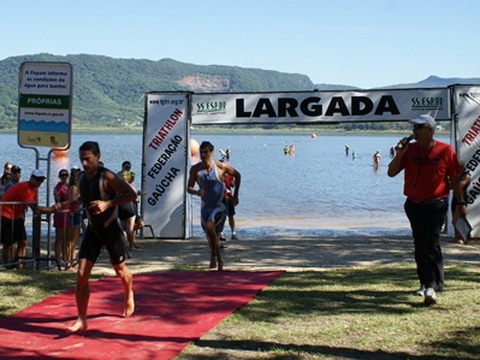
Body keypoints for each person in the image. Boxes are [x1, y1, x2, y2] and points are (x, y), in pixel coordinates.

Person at [388, 114, 467, 306]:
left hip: (436, 203)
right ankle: (427, 282)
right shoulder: (409, 149)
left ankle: (430, 286)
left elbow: (455, 179)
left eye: (418, 127)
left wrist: (460, 202)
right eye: (413, 127)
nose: (414, 131)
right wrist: (400, 153)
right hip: (413, 203)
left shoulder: (445, 150)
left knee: (431, 242)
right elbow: (391, 173)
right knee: (420, 244)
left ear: (430, 130)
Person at [67, 141, 137, 332]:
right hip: (93, 230)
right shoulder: (81, 177)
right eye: (81, 159)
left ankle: (128, 292)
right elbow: (87, 196)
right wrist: (76, 202)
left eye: (88, 159)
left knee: (120, 270)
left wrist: (108, 204)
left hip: (110, 230)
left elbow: (131, 194)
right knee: (81, 274)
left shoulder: (107, 176)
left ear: (97, 157)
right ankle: (82, 318)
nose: (84, 163)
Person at [187, 141, 241, 270]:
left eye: (206, 152)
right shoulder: (195, 169)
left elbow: (237, 175)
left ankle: (216, 258)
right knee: (210, 236)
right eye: (201, 153)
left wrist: (235, 196)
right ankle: (216, 257)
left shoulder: (221, 167)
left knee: (211, 227)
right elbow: (189, 187)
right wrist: (196, 191)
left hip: (220, 205)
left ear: (212, 153)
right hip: (205, 207)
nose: (203, 155)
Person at [1, 169, 60, 269]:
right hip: (6, 215)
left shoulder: (34, 189)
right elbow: (35, 207)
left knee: (22, 241)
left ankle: (19, 264)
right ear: (32, 178)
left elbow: (36, 206)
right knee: (8, 243)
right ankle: (8, 265)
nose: (39, 182)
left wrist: (48, 210)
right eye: (37, 179)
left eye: (41, 180)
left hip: (16, 216)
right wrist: (51, 209)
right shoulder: (25, 187)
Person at [450, 165, 472, 244]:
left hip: (462, 198)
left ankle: (464, 235)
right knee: (455, 217)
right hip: (455, 197)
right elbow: (451, 186)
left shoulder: (466, 176)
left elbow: (459, 185)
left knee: (456, 219)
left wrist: (453, 183)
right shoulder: (457, 176)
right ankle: (457, 236)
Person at [53, 169, 70, 267]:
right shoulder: (57, 188)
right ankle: (58, 258)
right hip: (60, 214)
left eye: (66, 175)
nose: (64, 177)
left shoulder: (69, 187)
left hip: (68, 214)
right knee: (60, 237)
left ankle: (66, 257)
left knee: (68, 238)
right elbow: (58, 202)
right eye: (62, 175)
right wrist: (69, 201)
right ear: (59, 177)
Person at [66, 167, 82, 269]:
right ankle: (68, 260)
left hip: (78, 213)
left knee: (74, 240)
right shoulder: (73, 188)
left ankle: (73, 259)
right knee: (71, 240)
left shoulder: (77, 188)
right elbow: (72, 203)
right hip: (74, 214)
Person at [223, 171, 238, 240]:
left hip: (229, 197)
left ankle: (233, 233)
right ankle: (221, 233)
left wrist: (233, 181)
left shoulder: (230, 175)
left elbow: (233, 185)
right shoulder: (217, 174)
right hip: (221, 197)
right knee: (221, 215)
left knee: (231, 215)